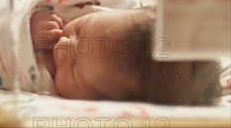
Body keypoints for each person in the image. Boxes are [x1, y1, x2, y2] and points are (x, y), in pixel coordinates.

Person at [31, 7, 223, 105]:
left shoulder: (41, 91)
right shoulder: (101, 13)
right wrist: (31, 17)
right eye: (80, 31)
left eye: (73, 70)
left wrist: (23, 34)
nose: (63, 46)